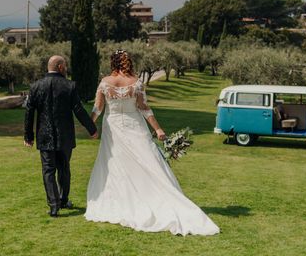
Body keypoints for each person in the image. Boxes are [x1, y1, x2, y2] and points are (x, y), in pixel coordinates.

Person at [85, 50, 219, 236]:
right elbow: (144, 108)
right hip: (134, 125)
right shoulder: (136, 83)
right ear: (128, 63)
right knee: (146, 160)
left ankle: (124, 200)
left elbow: (98, 108)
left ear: (113, 63)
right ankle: (149, 196)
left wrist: (90, 124)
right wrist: (158, 129)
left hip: (112, 126)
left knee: (115, 162)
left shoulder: (105, 83)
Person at [24, 55, 98, 217]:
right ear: (59, 67)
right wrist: (92, 129)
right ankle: (63, 200)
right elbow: (78, 109)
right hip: (65, 136)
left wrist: (28, 136)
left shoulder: (36, 86)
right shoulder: (69, 86)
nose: (66, 68)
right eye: (65, 65)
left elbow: (29, 112)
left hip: (44, 136)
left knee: (48, 170)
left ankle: (54, 205)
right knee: (64, 168)